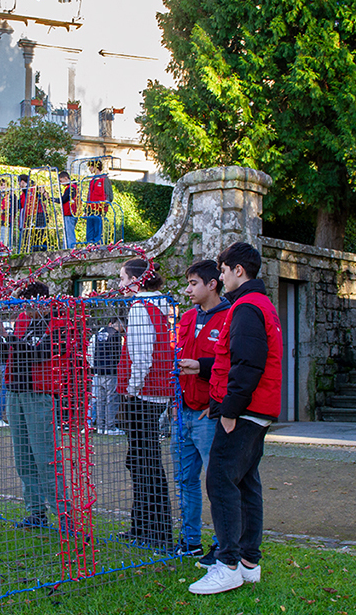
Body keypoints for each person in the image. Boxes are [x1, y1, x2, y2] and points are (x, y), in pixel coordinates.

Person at [189, 242, 283, 595]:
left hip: (245, 411)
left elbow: (248, 364)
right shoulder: (258, 304)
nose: (222, 276)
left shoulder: (247, 307)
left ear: (237, 270)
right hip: (255, 409)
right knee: (245, 482)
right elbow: (239, 358)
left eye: (224, 270)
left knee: (220, 480)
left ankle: (227, 564)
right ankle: (247, 562)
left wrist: (230, 410)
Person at [0, 282, 68, 530]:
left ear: (41, 302)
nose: (25, 310)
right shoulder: (23, 319)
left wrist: (8, 336)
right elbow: (8, 355)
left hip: (39, 393)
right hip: (15, 391)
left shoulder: (59, 322)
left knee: (46, 457)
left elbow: (40, 353)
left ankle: (64, 516)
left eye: (29, 305)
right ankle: (36, 512)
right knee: (23, 457)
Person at [175, 260, 231, 557]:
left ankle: (224, 543)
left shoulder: (230, 317)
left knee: (217, 481)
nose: (188, 290)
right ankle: (190, 541)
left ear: (212, 284)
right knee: (185, 480)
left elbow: (231, 365)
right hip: (182, 411)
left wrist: (217, 404)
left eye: (193, 283)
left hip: (207, 415)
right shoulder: (186, 318)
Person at [117, 259, 173, 550]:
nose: (120, 285)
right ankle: (142, 526)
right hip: (156, 393)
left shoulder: (141, 308)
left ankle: (155, 530)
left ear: (136, 280)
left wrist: (131, 390)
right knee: (142, 460)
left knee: (144, 462)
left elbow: (141, 357)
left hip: (144, 395)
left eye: (123, 278)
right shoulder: (161, 306)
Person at [86, 313, 125, 435]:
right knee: (111, 399)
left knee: (100, 400)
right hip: (110, 371)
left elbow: (92, 350)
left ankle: (101, 426)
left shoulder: (100, 333)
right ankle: (110, 426)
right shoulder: (115, 335)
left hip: (98, 370)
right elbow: (118, 354)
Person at [18, 174, 48, 252]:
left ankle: (41, 249)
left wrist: (43, 192)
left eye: (19, 183)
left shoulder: (34, 188)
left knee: (39, 234)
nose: (19, 185)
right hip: (29, 216)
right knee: (30, 235)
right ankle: (32, 250)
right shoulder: (23, 194)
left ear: (22, 182)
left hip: (38, 214)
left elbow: (44, 196)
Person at [84, 161, 111, 245]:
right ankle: (90, 246)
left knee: (98, 231)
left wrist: (104, 205)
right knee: (89, 232)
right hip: (90, 209)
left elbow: (109, 195)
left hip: (99, 209)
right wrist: (86, 210)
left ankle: (98, 246)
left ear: (95, 167)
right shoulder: (92, 180)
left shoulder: (104, 179)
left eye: (91, 167)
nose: (90, 169)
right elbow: (89, 196)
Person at [59, 170, 80, 249]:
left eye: (61, 181)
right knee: (67, 233)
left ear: (65, 178)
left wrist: (52, 199)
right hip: (72, 213)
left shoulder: (71, 188)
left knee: (69, 234)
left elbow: (63, 199)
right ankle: (66, 248)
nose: (61, 183)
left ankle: (70, 249)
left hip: (69, 213)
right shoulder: (74, 187)